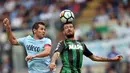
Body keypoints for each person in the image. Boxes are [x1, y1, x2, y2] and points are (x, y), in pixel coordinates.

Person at [49, 22, 122, 73]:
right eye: (66, 28)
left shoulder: (81, 44)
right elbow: (56, 53)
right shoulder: (62, 43)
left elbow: (95, 57)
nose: (69, 29)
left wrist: (112, 59)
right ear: (64, 32)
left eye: (71, 27)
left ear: (74, 29)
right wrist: (52, 62)